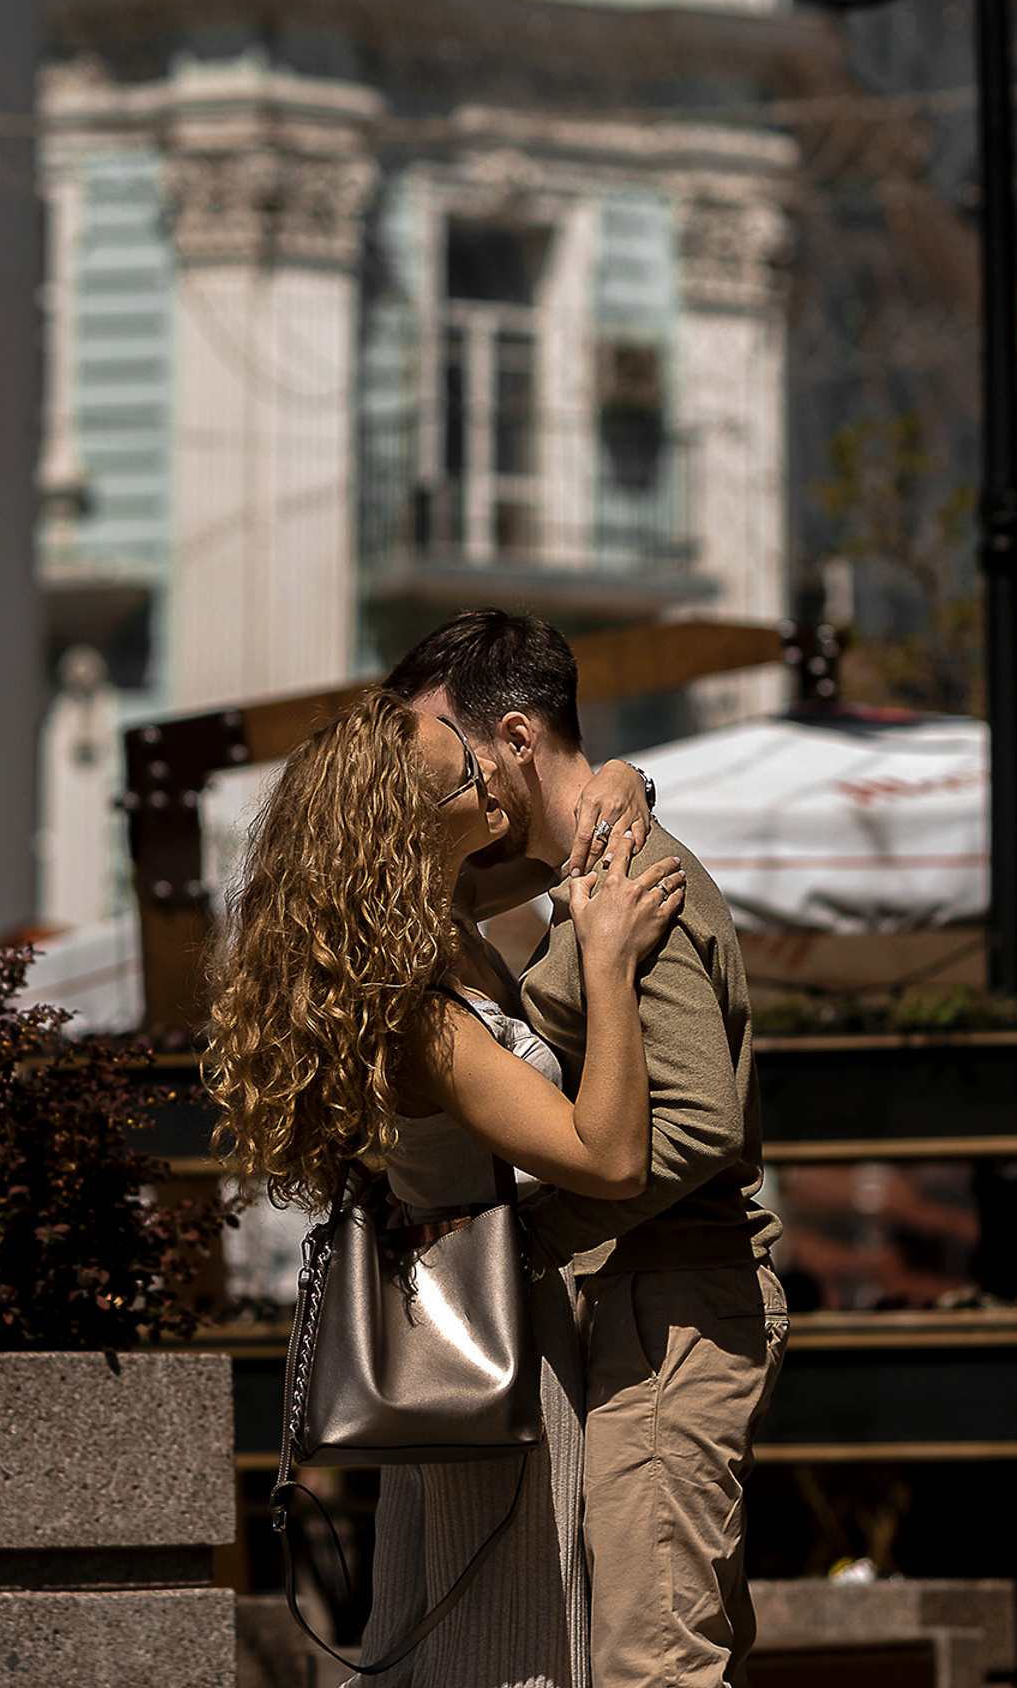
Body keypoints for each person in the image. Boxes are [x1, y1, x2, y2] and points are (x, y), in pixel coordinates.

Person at [206, 687, 686, 1688]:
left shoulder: (442, 927)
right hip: (494, 1353)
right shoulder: (416, 1018)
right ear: (412, 824)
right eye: (462, 764)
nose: (486, 767)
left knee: (450, 1637)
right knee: (506, 1658)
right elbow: (606, 1157)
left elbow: (572, 818)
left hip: (454, 1343)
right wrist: (606, 962)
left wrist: (623, 779)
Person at [385, 611, 787, 1688]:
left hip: (670, 1306)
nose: (433, 786)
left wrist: (532, 1237)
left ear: (513, 741)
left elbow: (698, 1121)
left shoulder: (631, 882)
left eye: (445, 754)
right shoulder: (580, 868)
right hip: (645, 1304)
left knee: (651, 1665)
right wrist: (626, 777)